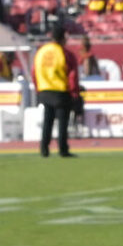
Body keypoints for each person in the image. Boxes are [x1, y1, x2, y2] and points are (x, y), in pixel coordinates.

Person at [33, 19, 78, 157]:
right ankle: (63, 149)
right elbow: (72, 74)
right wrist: (74, 92)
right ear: (62, 38)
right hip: (60, 90)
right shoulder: (65, 54)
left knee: (48, 120)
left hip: (45, 89)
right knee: (62, 121)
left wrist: (38, 88)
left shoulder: (41, 51)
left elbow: (34, 71)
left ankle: (44, 148)